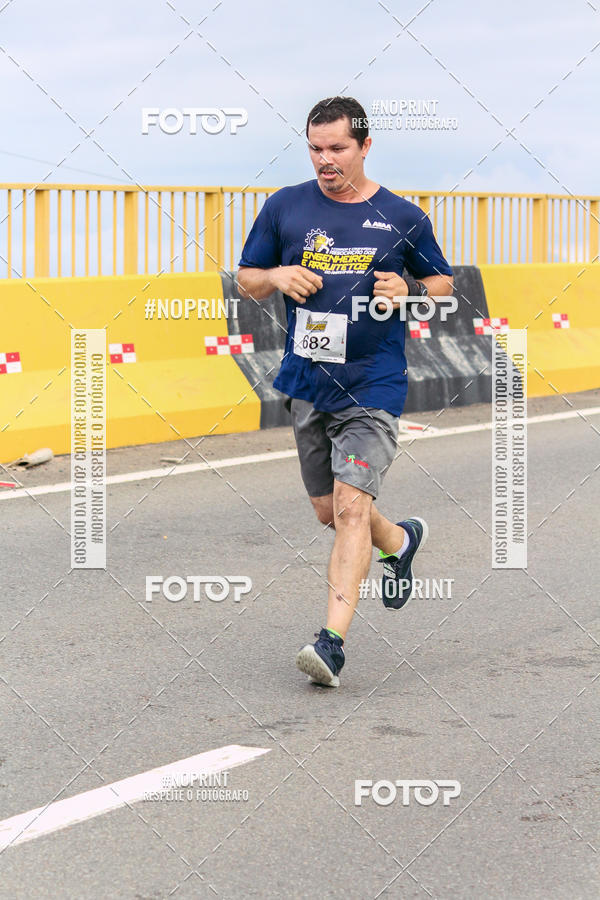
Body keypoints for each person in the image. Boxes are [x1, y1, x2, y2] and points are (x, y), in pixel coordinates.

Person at [237, 96, 453, 687]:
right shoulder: (285, 206)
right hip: (308, 380)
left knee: (352, 505)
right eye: (315, 148)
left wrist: (409, 290)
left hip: (373, 384)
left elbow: (442, 283)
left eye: (337, 148)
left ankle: (330, 644)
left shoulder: (403, 216)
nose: (324, 160)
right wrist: (275, 275)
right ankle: (400, 540)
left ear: (365, 146)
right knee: (328, 510)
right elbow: (247, 277)